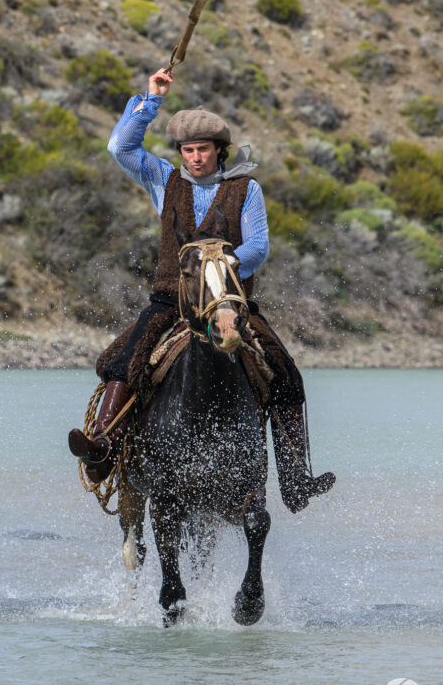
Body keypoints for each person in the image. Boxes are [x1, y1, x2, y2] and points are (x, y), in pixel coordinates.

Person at [66, 69, 335, 513]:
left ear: (219, 151)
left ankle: (296, 477)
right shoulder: (162, 179)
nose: (194, 157)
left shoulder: (246, 189)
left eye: (203, 150)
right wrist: (151, 100)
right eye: (188, 150)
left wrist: (222, 266)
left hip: (228, 302)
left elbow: (259, 247)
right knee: (122, 362)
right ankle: (103, 448)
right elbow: (119, 147)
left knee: (286, 373)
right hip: (171, 301)